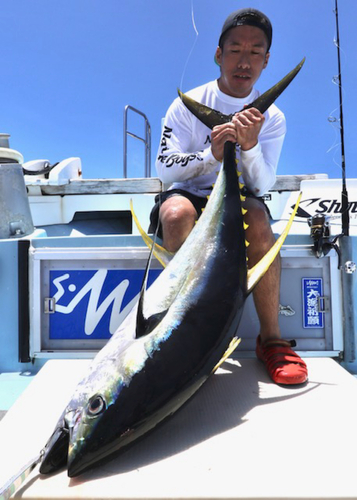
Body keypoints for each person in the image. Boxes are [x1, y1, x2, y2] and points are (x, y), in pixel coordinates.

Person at [149, 8, 308, 385]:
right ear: (218, 54)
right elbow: (165, 170)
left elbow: (262, 185)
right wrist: (212, 155)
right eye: (235, 49)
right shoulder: (186, 104)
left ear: (267, 61)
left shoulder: (274, 118)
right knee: (174, 215)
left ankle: (271, 340)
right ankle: (185, 331)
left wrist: (248, 148)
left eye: (255, 52)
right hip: (189, 193)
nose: (244, 60)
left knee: (257, 218)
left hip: (238, 198)